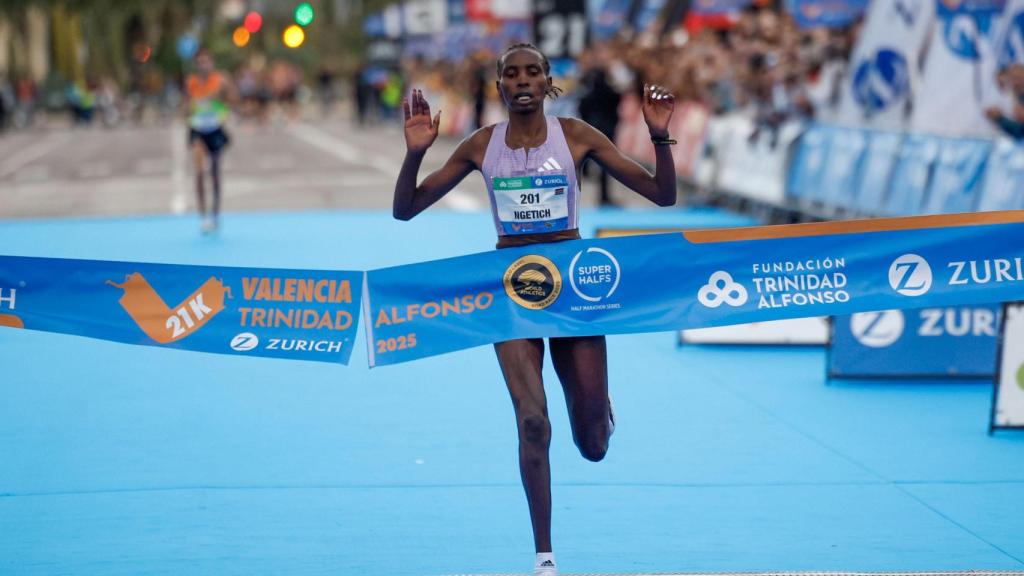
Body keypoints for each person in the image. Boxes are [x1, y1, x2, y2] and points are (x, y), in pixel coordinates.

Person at [392, 43, 677, 576]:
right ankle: (544, 557)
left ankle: (598, 408)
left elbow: (662, 194)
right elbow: (406, 210)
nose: (522, 81)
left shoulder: (577, 137)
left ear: (549, 82)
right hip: (513, 291)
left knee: (592, 446)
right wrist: (415, 154)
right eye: (511, 74)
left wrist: (660, 136)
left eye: (532, 72)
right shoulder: (481, 146)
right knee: (531, 423)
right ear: (499, 86)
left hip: (574, 292)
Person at [185, 49, 231, 234]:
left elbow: (231, 100)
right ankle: (203, 216)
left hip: (215, 128)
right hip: (197, 129)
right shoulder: (191, 82)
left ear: (212, 63)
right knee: (199, 172)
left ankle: (215, 215)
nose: (204, 65)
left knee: (215, 171)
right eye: (200, 62)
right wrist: (192, 105)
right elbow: (187, 105)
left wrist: (224, 92)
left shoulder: (220, 80)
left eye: (207, 61)